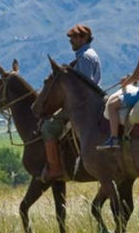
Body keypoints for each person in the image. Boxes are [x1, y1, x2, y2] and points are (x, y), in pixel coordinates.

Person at [40, 24, 102, 180]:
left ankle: (54, 168)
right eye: (70, 38)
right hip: (87, 104)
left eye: (74, 37)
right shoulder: (85, 55)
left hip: (84, 107)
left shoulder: (86, 57)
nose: (71, 41)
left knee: (48, 127)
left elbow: (83, 87)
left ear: (84, 38)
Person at [98, 23, 139, 149]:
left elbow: (135, 76)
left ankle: (114, 138)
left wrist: (125, 82)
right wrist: (131, 78)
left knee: (111, 105)